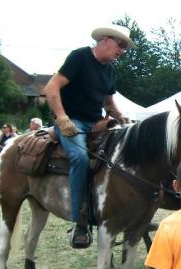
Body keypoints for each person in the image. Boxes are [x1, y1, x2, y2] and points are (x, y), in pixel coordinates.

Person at [44, 24, 134, 248]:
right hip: (71, 121)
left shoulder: (110, 70)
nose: (122, 50)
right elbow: (52, 87)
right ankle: (80, 220)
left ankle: (112, 206)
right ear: (105, 40)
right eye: (119, 44)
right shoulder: (80, 57)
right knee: (81, 158)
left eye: (124, 47)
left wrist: (121, 116)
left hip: (96, 124)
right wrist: (62, 118)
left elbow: (108, 102)